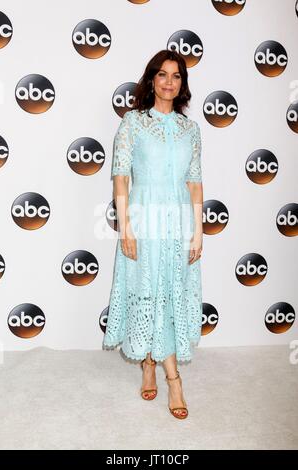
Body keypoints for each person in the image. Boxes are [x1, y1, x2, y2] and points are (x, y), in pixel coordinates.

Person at [103, 49, 203, 419]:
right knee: (148, 291)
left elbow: (194, 183)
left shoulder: (190, 129)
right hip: (144, 221)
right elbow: (120, 176)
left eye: (176, 76)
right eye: (162, 75)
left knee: (170, 293)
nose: (169, 82)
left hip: (179, 222)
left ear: (182, 84)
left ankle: (158, 366)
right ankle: (165, 374)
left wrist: (199, 231)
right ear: (151, 80)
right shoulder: (132, 123)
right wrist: (125, 225)